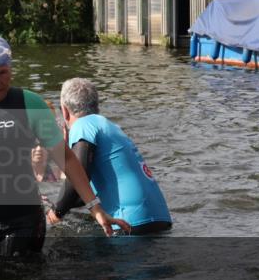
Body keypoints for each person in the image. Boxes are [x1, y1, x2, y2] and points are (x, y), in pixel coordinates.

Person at [0, 35, 130, 257]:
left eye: (2, 72)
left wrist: (95, 208)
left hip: (23, 220)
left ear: (11, 70)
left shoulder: (30, 104)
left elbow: (67, 159)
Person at [49, 78, 172, 235]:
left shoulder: (82, 125)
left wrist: (54, 214)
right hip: (160, 219)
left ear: (65, 111)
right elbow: (84, 191)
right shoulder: (111, 128)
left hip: (129, 223)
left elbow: (80, 173)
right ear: (97, 106)